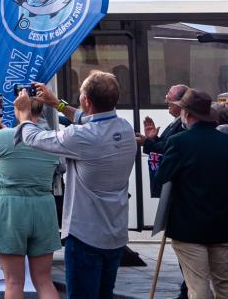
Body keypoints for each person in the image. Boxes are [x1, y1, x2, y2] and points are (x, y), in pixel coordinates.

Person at [23, 73, 136, 299]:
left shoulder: (80, 136)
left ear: (86, 100)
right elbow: (88, 118)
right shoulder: (125, 128)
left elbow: (32, 138)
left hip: (85, 236)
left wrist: (25, 114)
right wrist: (56, 104)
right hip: (115, 235)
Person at [152, 90, 228, 299]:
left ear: (186, 113)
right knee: (225, 284)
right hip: (220, 225)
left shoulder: (179, 142)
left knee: (198, 286)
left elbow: (162, 177)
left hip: (188, 228)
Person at [0, 90, 63, 299]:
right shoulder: (52, 139)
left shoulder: (2, 137)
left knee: (14, 282)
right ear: (41, 110)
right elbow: (59, 166)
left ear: (18, 109)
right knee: (44, 280)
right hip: (44, 207)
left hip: (11, 209)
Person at [141, 83, 189, 200]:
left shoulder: (184, 125)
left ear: (181, 102)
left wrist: (146, 142)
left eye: (169, 98)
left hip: (175, 189)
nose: (166, 101)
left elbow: (169, 149)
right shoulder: (177, 121)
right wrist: (153, 139)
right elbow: (166, 144)